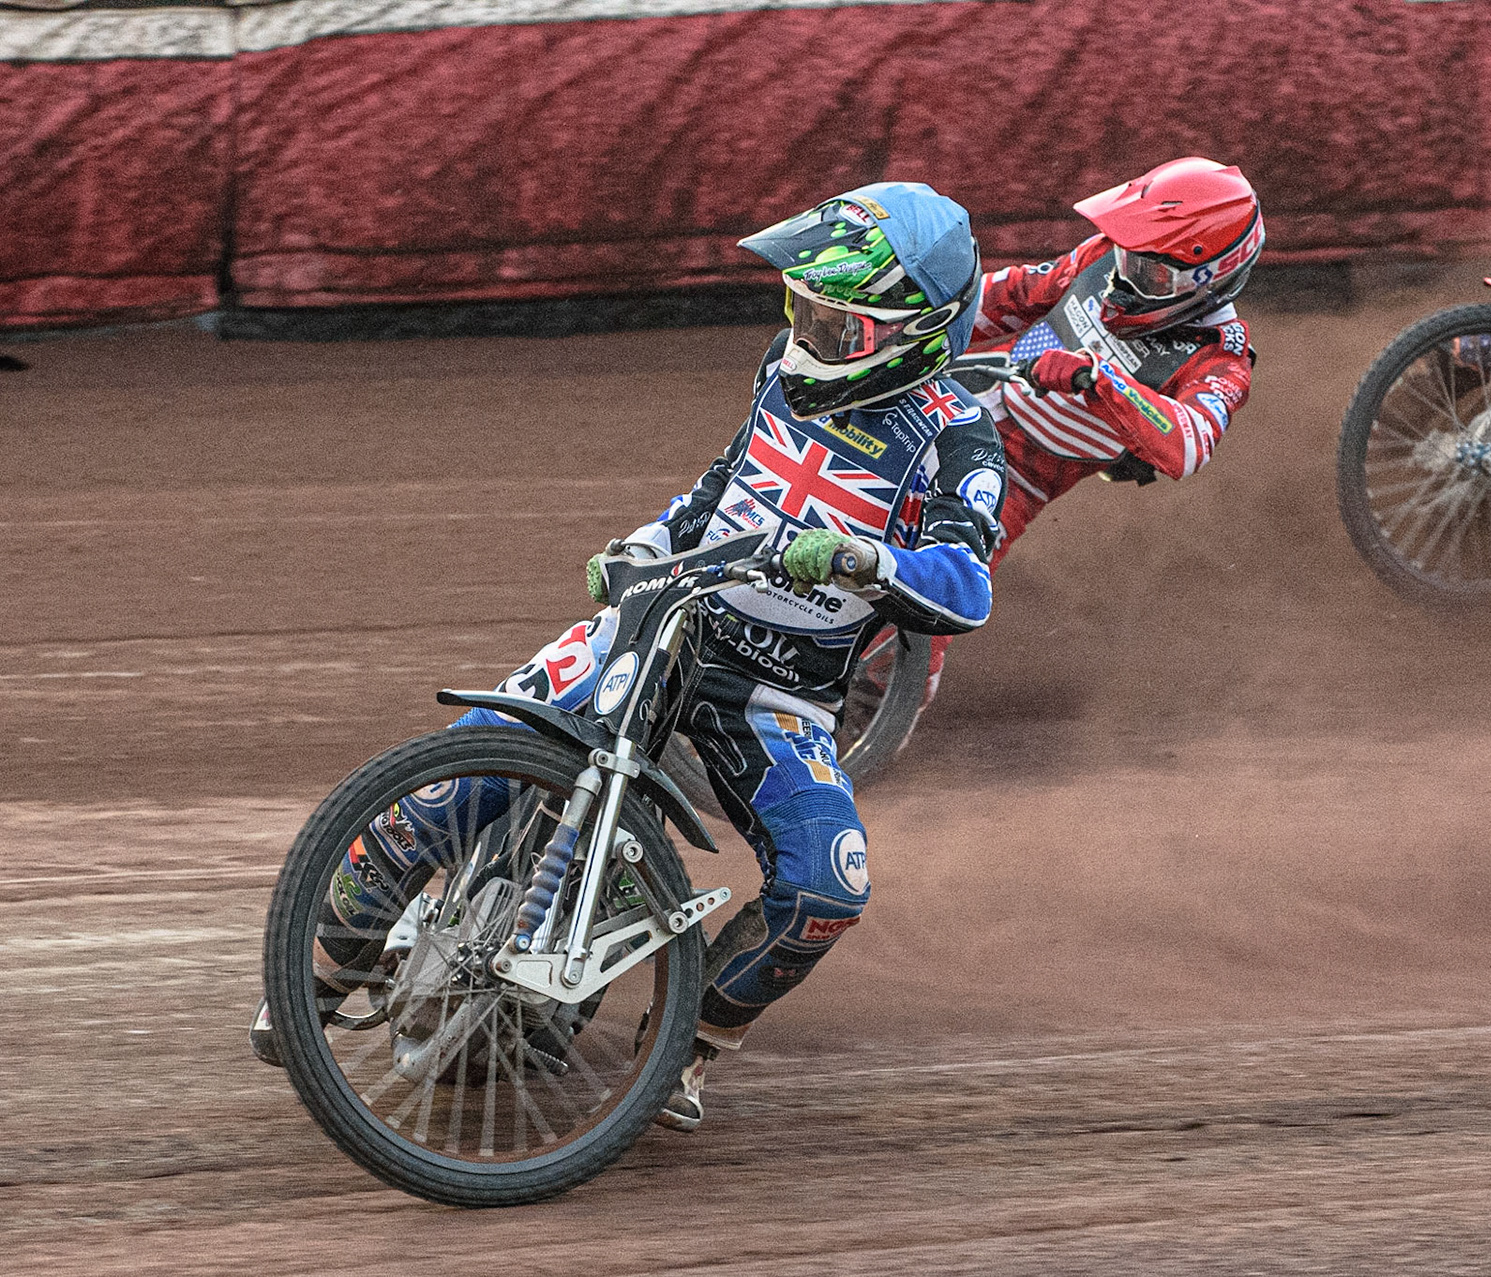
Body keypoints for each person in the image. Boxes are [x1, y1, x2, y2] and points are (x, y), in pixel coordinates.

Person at [251, 182, 1006, 1134]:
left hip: (777, 697)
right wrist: (648, 542)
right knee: (468, 763)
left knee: (830, 883)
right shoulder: (785, 365)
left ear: (918, 335)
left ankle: (685, 1050)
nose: (811, 330)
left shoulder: (955, 436)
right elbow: (725, 480)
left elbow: (966, 586)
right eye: (803, 307)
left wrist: (865, 558)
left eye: (839, 323)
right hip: (666, 619)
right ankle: (320, 974)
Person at [921, 156, 1263, 692]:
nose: (1123, 276)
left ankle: (856, 726)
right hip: (958, 399)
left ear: (1204, 280)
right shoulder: (1109, 257)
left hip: (1017, 479)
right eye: (1127, 254)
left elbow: (1189, 445)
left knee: (933, 604)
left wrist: (1095, 381)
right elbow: (1015, 296)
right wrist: (919, 319)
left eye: (1148, 271)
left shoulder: (1220, 356)